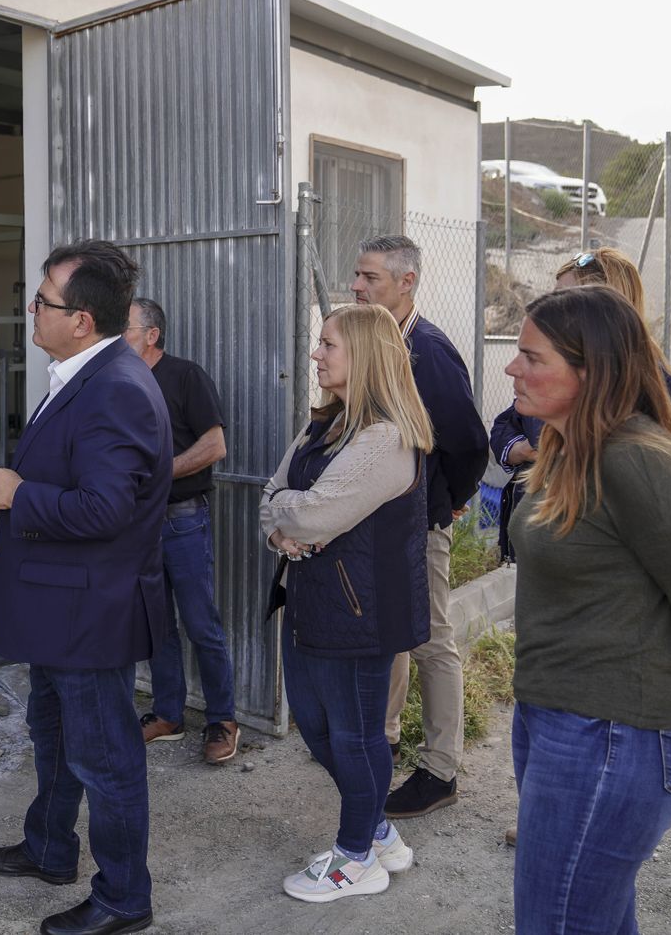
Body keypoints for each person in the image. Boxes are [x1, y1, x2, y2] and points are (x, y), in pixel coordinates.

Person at [504, 285, 671, 933]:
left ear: (592, 373)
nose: (511, 368)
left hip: (612, 738)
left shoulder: (635, 460)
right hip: (563, 723)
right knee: (593, 920)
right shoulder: (568, 450)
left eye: (532, 357)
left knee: (557, 923)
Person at [0, 240, 172, 935]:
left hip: (90, 611)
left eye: (43, 302)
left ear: (81, 319)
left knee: (106, 759)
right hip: (62, 607)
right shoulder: (84, 374)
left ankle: (123, 897)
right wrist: (8, 494)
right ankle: (50, 848)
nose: (32, 310)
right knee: (53, 736)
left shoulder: (114, 388)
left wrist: (17, 492)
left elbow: (105, 509)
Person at [259, 304, 434, 903]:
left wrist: (297, 515)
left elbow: (316, 511)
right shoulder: (323, 426)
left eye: (328, 345)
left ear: (362, 355)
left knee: (356, 738)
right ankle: (381, 833)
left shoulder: (387, 437)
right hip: (312, 600)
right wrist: (286, 526)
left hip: (362, 614)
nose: (317, 354)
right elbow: (272, 497)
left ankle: (356, 857)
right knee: (316, 728)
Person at [350, 235, 488, 818]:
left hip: (418, 523)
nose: (358, 286)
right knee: (391, 631)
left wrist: (444, 503)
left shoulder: (426, 352)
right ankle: (380, 739)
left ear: (407, 282)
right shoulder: (374, 342)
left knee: (430, 637)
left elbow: (470, 443)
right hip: (379, 522)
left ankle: (440, 769)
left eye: (371, 278)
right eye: (356, 276)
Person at [491, 247, 671, 563]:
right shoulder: (556, 379)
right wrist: (522, 450)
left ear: (606, 306)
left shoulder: (638, 456)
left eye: (565, 297)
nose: (550, 308)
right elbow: (506, 423)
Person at [124, 297, 240, 764]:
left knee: (201, 624)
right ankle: (167, 714)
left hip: (182, 520)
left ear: (152, 335)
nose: (117, 336)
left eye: (126, 328)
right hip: (137, 525)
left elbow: (215, 446)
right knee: (157, 625)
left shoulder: (185, 376)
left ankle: (223, 718)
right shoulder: (119, 382)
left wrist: (160, 472)